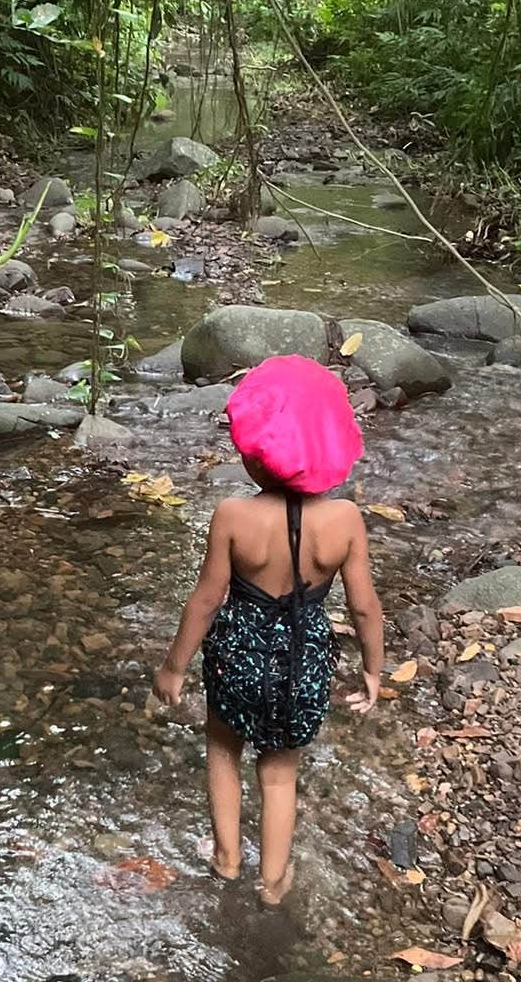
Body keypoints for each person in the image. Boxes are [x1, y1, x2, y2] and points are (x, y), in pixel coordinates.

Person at [153, 354, 384, 904]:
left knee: (222, 748)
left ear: (255, 451)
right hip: (303, 660)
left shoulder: (234, 514)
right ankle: (274, 884)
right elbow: (365, 608)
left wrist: (173, 666)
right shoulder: (345, 521)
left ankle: (227, 858)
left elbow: (207, 600)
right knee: (279, 773)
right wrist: (374, 671)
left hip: (237, 653)